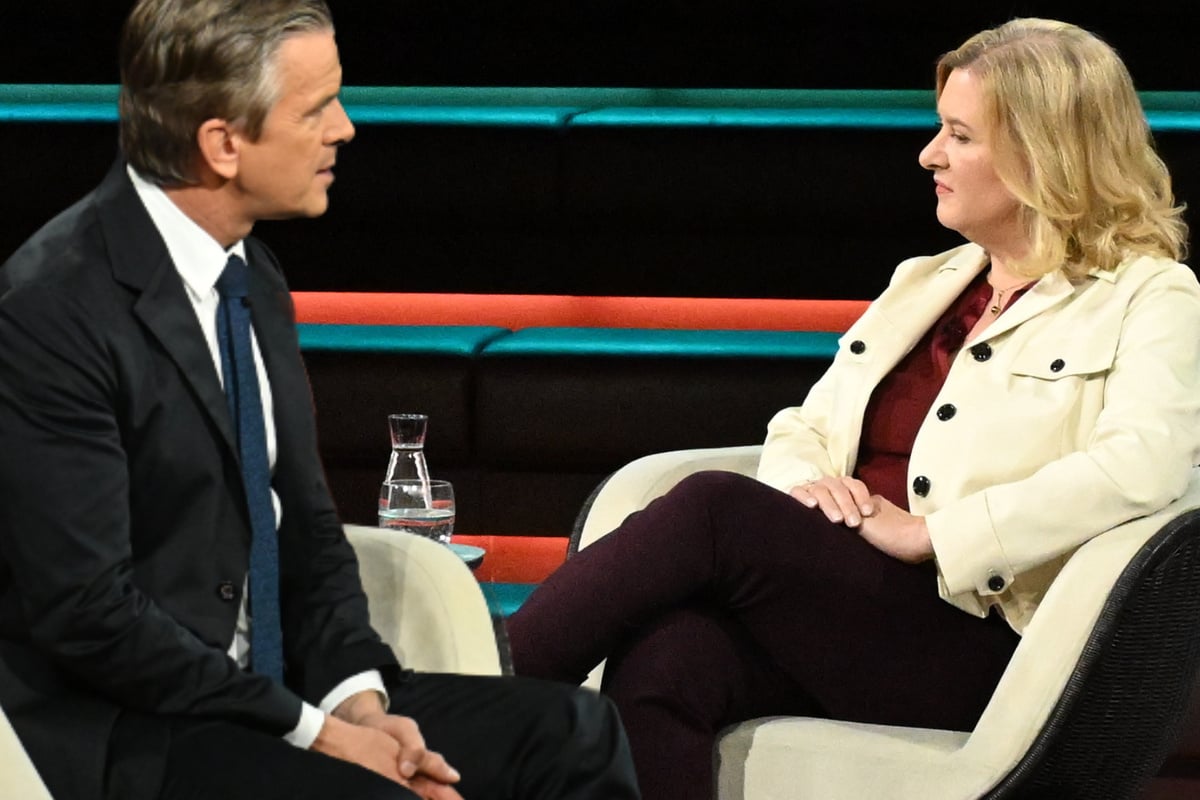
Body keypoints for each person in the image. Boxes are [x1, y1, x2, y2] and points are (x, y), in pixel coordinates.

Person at [505, 17, 1200, 799]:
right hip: (845, 608)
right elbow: (804, 426)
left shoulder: (1149, 295)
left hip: (984, 640)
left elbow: (1143, 467)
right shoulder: (927, 282)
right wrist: (811, 491)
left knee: (712, 510)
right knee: (668, 657)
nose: (929, 154)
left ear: (1045, 154)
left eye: (959, 136)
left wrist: (931, 535)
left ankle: (465, 705)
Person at [0, 2, 640, 800]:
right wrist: (319, 735)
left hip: (280, 698)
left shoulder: (250, 274)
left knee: (572, 732)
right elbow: (89, 614)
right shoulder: (53, 308)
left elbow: (305, 526)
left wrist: (360, 704)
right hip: (140, 728)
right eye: (316, 109)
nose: (345, 129)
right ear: (223, 144)